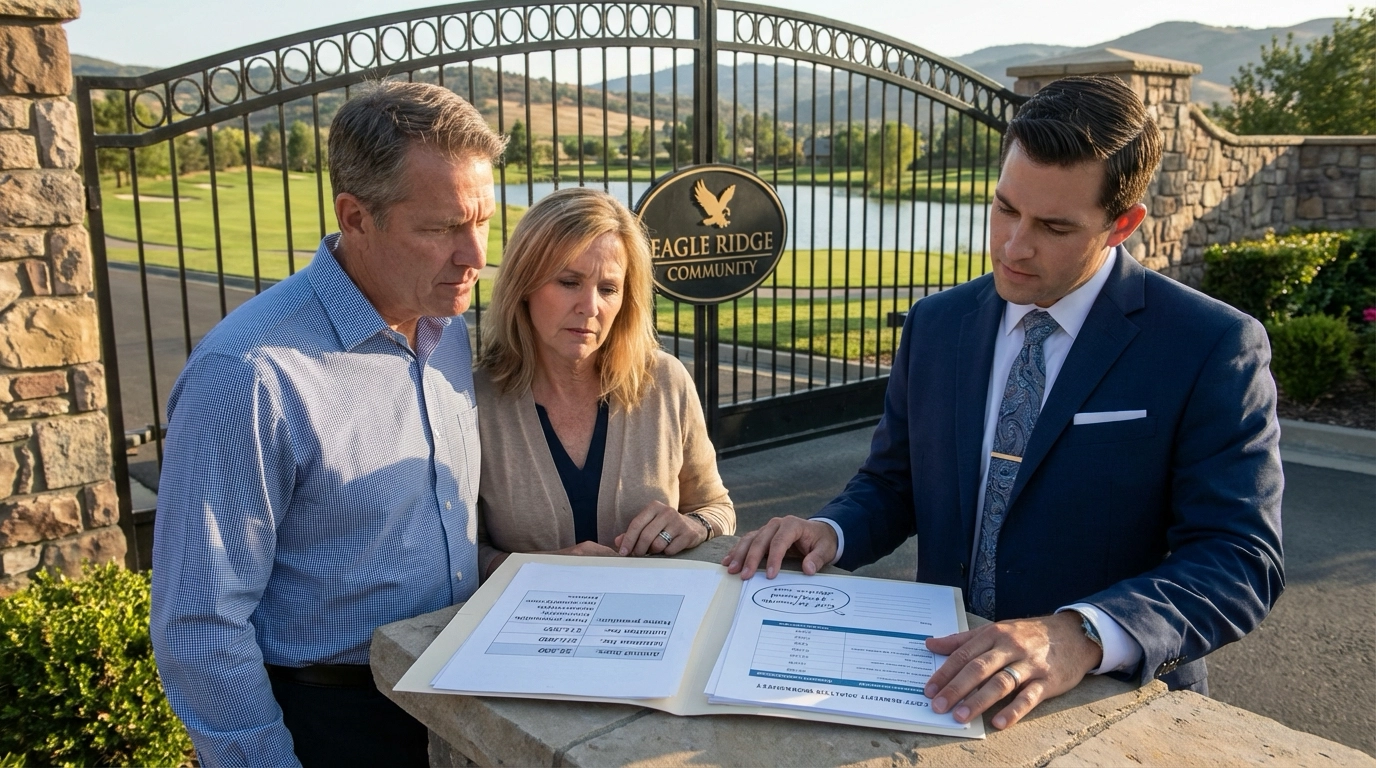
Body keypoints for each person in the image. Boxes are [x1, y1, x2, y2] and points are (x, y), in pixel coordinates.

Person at [724, 76, 1284, 732]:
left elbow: (1239, 558)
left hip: (1110, 708)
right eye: (1004, 208)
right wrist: (832, 530)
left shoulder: (1212, 345)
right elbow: (895, 481)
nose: (1015, 246)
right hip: (941, 687)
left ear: (1121, 224)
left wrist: (1082, 635)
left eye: (1053, 226)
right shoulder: (937, 324)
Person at [150, 81, 505, 767]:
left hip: (455, 697)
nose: (474, 256)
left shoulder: (446, 327)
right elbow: (199, 624)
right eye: (441, 228)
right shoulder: (248, 373)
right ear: (355, 216)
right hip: (333, 724)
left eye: (483, 220)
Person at [475, 187, 735, 579]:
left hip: (652, 626)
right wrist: (535, 568)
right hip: (532, 630)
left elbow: (718, 508)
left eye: (608, 288)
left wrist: (697, 524)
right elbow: (460, 556)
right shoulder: (475, 399)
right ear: (524, 286)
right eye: (568, 281)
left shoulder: (665, 382)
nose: (590, 306)